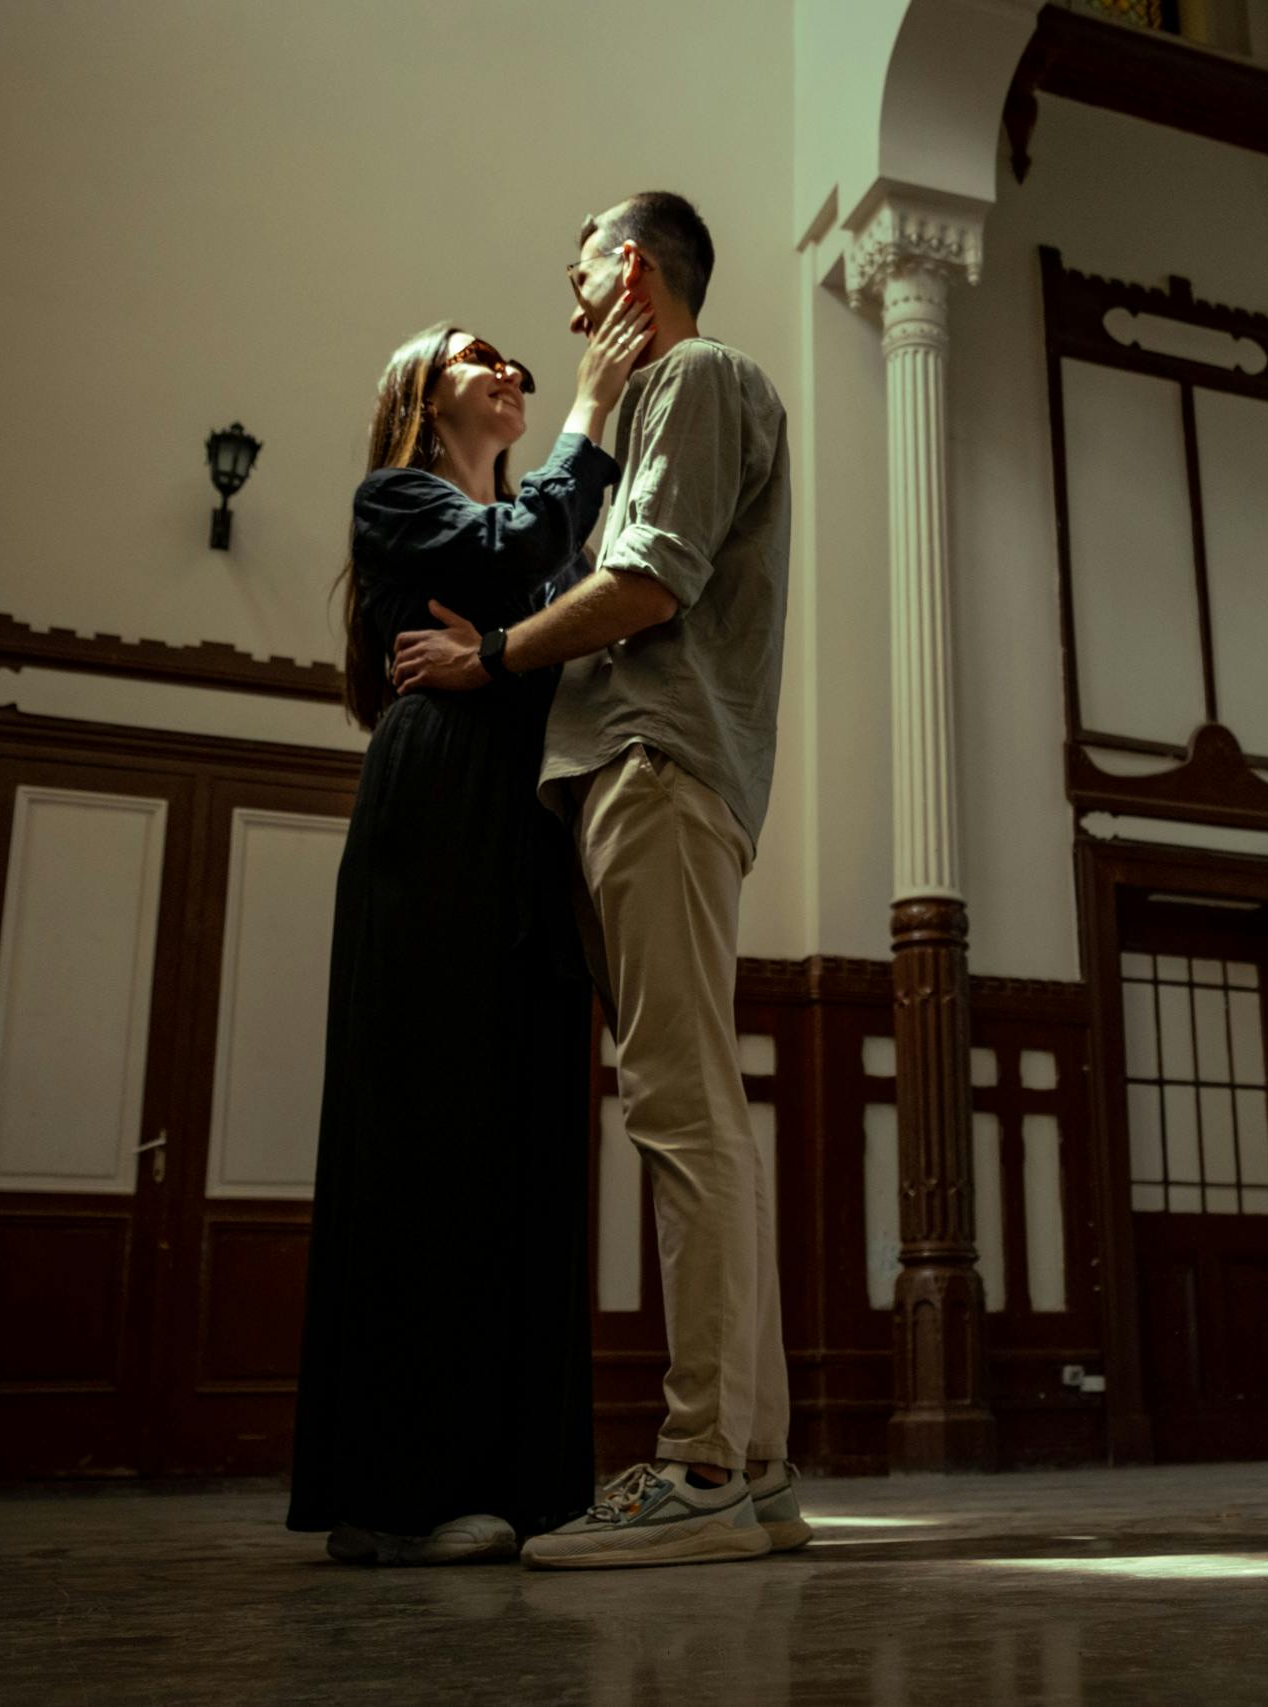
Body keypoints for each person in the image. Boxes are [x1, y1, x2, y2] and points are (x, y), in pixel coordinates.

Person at [392, 191, 802, 1570]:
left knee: (682, 1113)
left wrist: (492, 653)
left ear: (630, 268)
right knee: (705, 1114)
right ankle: (758, 1467)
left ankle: (698, 1464)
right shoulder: (676, 400)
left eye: (579, 273)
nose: (568, 304)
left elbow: (645, 584)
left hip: (657, 764)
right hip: (659, 769)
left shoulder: (694, 375)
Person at [288, 299, 653, 1567]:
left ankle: (520, 1483)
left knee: (522, 1130)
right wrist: (593, 412)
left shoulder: (533, 541)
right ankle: (399, 1487)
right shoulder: (396, 500)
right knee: (430, 1128)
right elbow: (508, 553)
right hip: (440, 801)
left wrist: (501, 647)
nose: (505, 366)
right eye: (473, 358)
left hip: (525, 820)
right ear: (418, 396)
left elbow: (539, 605)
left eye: (514, 359)